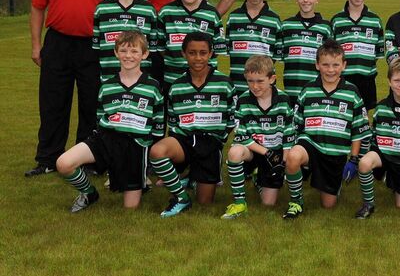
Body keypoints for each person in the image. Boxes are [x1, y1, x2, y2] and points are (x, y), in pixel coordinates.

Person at [27, 0, 115, 177]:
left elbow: (115, 7)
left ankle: (87, 160)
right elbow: (37, 7)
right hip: (58, 42)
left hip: (94, 45)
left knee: (91, 104)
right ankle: (47, 159)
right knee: (53, 102)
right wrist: (35, 45)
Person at [55, 30, 164, 211]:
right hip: (106, 139)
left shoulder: (152, 86)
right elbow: (100, 116)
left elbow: (158, 124)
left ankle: (135, 178)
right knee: (64, 163)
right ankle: (89, 192)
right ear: (115, 52)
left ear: (144, 54)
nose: (128, 56)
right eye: (123, 50)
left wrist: (148, 152)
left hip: (135, 146)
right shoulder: (107, 85)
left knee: (131, 208)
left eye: (134, 51)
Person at [149, 32, 237, 217]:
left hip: (210, 143)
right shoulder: (176, 86)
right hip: (184, 142)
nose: (198, 58)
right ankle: (181, 197)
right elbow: (173, 124)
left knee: (205, 203)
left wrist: (217, 142)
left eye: (203, 52)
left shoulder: (224, 83)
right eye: (192, 52)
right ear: (184, 54)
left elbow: (231, 119)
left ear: (211, 53)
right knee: (157, 151)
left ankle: (193, 177)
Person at [281, 40, 371, 219]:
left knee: (328, 205)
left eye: (336, 65)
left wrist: (353, 159)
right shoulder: (308, 90)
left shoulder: (352, 92)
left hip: (334, 153)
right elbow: (295, 124)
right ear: (317, 65)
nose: (331, 70)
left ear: (344, 65)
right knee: (293, 157)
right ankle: (296, 202)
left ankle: (328, 183)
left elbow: (358, 129)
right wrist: (289, 150)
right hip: (311, 144)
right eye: (325, 65)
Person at [353, 58, 400, 218]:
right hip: (384, 155)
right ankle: (368, 204)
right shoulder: (381, 108)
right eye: (397, 80)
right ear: (389, 81)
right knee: (365, 163)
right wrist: (364, 157)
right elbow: (375, 137)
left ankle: (398, 178)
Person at [221, 56, 294, 219]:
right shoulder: (243, 100)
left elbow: (289, 134)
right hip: (253, 150)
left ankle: (258, 178)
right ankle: (240, 203)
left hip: (274, 154)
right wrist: (266, 152)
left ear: (272, 79)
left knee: (268, 204)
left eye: (260, 81)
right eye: (250, 81)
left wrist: (283, 161)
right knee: (234, 152)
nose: (254, 86)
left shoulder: (284, 99)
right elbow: (242, 135)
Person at [156, 0, 227, 87]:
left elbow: (217, 48)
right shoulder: (166, 12)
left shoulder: (211, 13)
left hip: (205, 81)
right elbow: (161, 48)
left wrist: (199, 63)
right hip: (173, 79)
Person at [93, 0, 159, 82]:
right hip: (109, 78)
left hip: (141, 80)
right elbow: (96, 48)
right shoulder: (102, 8)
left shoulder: (148, 9)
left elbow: (153, 49)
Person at [331, 0, 384, 110]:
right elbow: (332, 52)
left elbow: (378, 53)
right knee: (343, 113)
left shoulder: (375, 20)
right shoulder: (337, 20)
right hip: (343, 78)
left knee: (365, 116)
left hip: (367, 79)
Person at [225, 0, 283, 94]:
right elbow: (229, 49)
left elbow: (277, 54)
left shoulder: (274, 20)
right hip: (237, 84)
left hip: (264, 87)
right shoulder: (234, 17)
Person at [280, 0, 333, 103]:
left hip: (316, 87)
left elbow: (330, 58)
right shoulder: (287, 25)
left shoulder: (326, 27)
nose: (305, 0)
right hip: (291, 86)